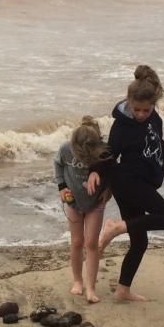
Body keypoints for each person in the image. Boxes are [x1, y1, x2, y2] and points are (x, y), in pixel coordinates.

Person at [87, 65, 164, 302]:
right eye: (136, 109)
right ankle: (116, 227)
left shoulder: (154, 119)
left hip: (142, 182)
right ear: (129, 102)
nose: (140, 114)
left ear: (153, 104)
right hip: (127, 181)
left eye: (145, 110)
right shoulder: (122, 126)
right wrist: (94, 171)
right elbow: (109, 152)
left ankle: (123, 289)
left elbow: (159, 143)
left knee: (139, 242)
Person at [54, 116, 113, 303]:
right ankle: (78, 281)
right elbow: (58, 164)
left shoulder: (103, 152)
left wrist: (109, 189)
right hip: (73, 202)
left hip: (96, 202)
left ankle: (91, 288)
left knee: (91, 244)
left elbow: (113, 170)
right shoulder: (66, 149)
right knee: (77, 242)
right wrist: (62, 187)